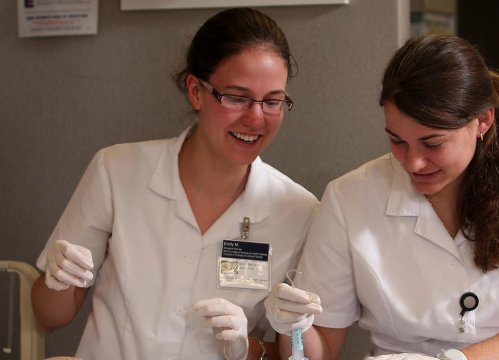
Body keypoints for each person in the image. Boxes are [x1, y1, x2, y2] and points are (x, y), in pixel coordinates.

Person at [264, 35, 499, 360]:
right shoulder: (349, 199)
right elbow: (320, 351)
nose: (413, 162)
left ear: (482, 121)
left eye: (433, 143)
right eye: (398, 141)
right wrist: (295, 326)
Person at [31, 7, 318, 360]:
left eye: (272, 101)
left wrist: (250, 350)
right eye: (236, 97)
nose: (256, 118)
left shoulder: (298, 211)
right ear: (196, 91)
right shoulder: (117, 171)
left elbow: (297, 356)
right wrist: (56, 279)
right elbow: (49, 316)